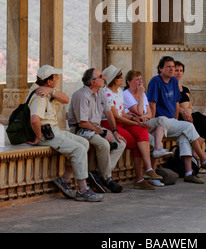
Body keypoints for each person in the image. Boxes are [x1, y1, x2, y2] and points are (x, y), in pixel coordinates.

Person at [27, 65, 103, 202]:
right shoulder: (39, 95)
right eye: (55, 78)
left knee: (84, 142)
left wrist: (50, 90)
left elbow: (65, 99)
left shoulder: (47, 90)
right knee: (79, 149)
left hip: (54, 130)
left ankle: (65, 179)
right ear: (48, 81)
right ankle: (82, 189)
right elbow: (34, 119)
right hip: (46, 133)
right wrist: (38, 136)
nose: (57, 79)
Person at [147, 56, 206, 184]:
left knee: (184, 137)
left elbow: (176, 104)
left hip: (171, 121)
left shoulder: (174, 82)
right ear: (160, 68)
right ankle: (203, 158)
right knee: (187, 127)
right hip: (159, 121)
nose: (171, 69)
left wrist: (176, 121)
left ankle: (188, 173)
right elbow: (152, 104)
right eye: (168, 67)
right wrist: (153, 123)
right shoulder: (156, 81)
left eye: (173, 67)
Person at [101, 65, 163, 190]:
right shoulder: (106, 93)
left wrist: (135, 119)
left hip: (122, 121)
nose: (122, 77)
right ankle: (141, 177)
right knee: (136, 142)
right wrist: (137, 123)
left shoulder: (118, 91)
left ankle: (148, 170)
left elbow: (123, 113)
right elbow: (116, 117)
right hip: (109, 123)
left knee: (142, 132)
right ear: (113, 79)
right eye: (119, 76)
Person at [68, 68, 126, 194]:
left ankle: (99, 175)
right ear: (92, 82)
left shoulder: (100, 92)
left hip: (95, 128)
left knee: (121, 143)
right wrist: (102, 132)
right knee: (103, 144)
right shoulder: (82, 95)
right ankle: (107, 178)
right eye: (100, 76)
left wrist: (114, 131)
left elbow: (109, 112)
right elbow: (82, 122)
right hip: (80, 129)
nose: (104, 78)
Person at [123, 70, 173, 186]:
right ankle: (150, 173)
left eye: (140, 78)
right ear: (129, 82)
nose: (140, 81)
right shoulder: (126, 94)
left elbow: (149, 114)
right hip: (134, 124)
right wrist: (140, 95)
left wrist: (143, 116)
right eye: (137, 79)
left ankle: (157, 149)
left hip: (144, 122)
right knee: (150, 140)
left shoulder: (142, 94)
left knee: (163, 120)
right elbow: (140, 112)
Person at [174, 60, 206, 173]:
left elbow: (190, 103)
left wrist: (188, 111)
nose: (178, 73)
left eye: (180, 71)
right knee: (194, 126)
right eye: (176, 70)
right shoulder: (170, 87)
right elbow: (174, 104)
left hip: (188, 114)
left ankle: (194, 155)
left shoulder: (185, 89)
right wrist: (183, 112)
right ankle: (198, 159)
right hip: (178, 115)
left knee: (203, 122)